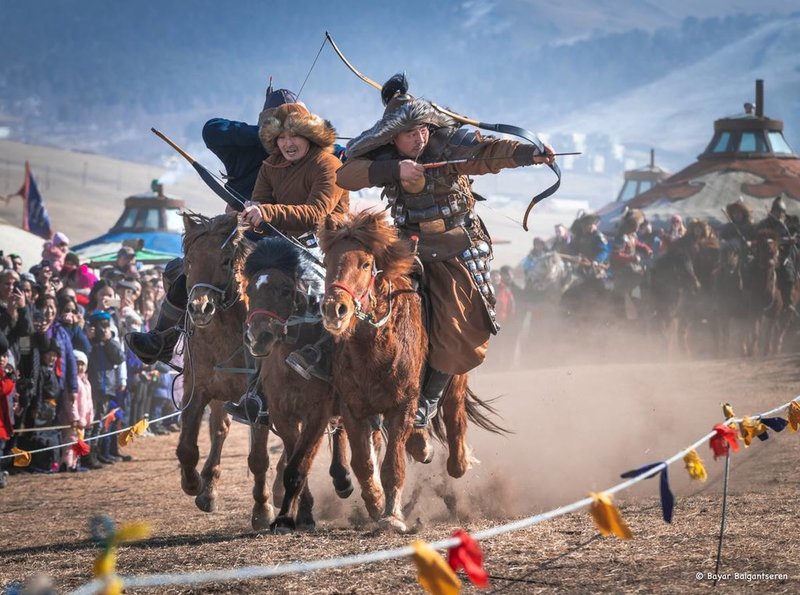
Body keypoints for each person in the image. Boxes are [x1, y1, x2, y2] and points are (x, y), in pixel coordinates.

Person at [336, 73, 555, 428]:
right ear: (393, 137)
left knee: (460, 320)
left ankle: (428, 401)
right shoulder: (383, 155)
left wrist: (530, 153)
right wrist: (393, 168)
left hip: (457, 243)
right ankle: (366, 387)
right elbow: (345, 175)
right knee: (370, 299)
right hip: (409, 245)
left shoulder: (449, 141)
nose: (420, 137)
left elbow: (488, 152)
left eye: (423, 128)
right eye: (410, 133)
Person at [756, 194, 799, 311]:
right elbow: (759, 235)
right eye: (777, 211)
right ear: (772, 211)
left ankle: (787, 302)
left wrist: (792, 240)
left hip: (783, 255)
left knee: (788, 273)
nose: (779, 214)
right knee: (750, 267)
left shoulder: (788, 225)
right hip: (765, 253)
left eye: (781, 212)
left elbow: (795, 237)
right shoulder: (764, 223)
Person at [58, 349, 93, 472]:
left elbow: (89, 403)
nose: (80, 367)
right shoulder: (72, 382)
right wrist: (74, 418)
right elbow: (70, 403)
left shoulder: (86, 382)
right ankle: (66, 465)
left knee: (78, 442)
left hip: (82, 421)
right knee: (69, 443)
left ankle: (74, 465)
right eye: (77, 364)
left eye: (82, 364)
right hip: (72, 420)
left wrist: (89, 418)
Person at [568, 212, 610, 280]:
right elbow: (573, 247)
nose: (586, 228)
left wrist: (596, 260)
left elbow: (605, 251)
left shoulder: (598, 236)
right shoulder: (580, 237)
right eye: (585, 226)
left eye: (590, 225)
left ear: (594, 226)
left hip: (597, 264)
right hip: (582, 263)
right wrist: (575, 255)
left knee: (596, 280)